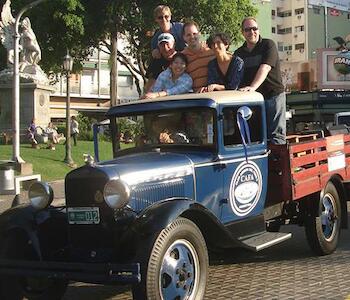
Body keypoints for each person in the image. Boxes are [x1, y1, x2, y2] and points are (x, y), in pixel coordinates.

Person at [235, 17, 286, 144]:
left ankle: (277, 163)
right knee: (256, 136)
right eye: (247, 30)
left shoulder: (268, 45)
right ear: (242, 32)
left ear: (258, 30)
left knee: (275, 136)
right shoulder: (239, 53)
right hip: (254, 100)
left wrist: (252, 88)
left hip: (273, 96)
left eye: (254, 28)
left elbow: (265, 68)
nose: (251, 32)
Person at [181, 21, 215, 92]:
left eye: (194, 34)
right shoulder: (181, 57)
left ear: (199, 34)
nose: (192, 37)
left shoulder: (212, 52)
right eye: (188, 35)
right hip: (194, 98)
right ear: (184, 37)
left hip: (212, 95)